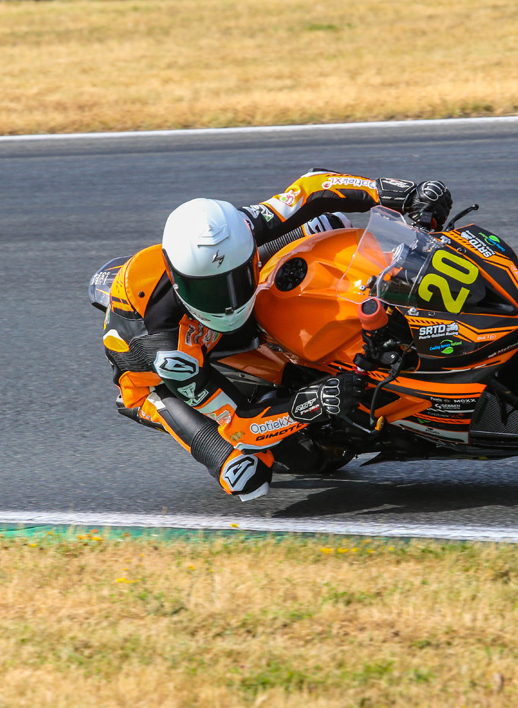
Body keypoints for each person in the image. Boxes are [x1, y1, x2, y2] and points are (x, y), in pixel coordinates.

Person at [102, 170, 453, 501]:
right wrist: (310, 403)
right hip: (159, 381)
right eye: (209, 290)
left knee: (329, 225)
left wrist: (400, 193)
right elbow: (238, 424)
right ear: (177, 278)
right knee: (245, 475)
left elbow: (313, 188)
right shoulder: (167, 352)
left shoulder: (241, 227)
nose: (226, 301)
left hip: (236, 292)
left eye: (234, 280)